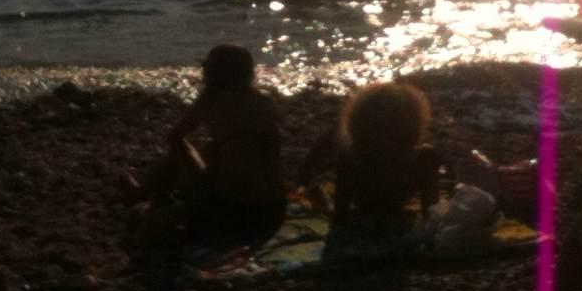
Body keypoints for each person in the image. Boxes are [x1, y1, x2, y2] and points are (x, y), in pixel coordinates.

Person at [127, 43, 285, 248]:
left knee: (180, 149)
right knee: (215, 152)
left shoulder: (210, 101)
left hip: (229, 210)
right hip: (272, 211)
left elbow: (174, 136)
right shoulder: (265, 102)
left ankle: (148, 196)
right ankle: (149, 196)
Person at [311, 81, 441, 225]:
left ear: (360, 119)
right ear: (413, 121)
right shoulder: (422, 158)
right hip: (395, 209)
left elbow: (340, 212)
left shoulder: (350, 157)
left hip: (364, 210)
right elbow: (430, 211)